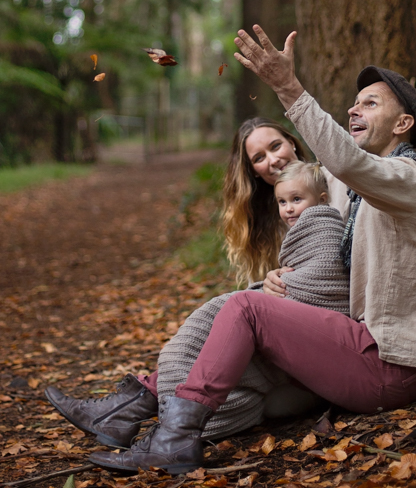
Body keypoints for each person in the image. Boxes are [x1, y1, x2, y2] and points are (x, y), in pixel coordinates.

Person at [85, 26, 416, 475]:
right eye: (354, 103)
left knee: (247, 308)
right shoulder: (360, 189)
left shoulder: (407, 178)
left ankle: (175, 440)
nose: (354, 109)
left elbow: (342, 160)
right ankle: (139, 411)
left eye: (370, 103)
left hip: (388, 366)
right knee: (248, 316)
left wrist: (286, 86)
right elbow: (324, 171)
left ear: (403, 124)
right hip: (359, 351)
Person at [45, 116, 343, 446]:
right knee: (226, 332)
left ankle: (130, 410)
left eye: (275, 146)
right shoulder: (271, 216)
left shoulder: (332, 183)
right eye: (259, 158)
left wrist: (272, 291)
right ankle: (128, 414)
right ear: (253, 171)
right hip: (283, 341)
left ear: (293, 142)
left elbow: (326, 278)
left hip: (320, 343)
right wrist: (268, 283)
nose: (272, 160)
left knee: (230, 322)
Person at [272, 161, 349, 310]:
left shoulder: (328, 230)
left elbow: (324, 272)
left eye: (296, 199)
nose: (288, 208)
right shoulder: (298, 233)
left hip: (326, 309)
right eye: (282, 202)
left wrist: (284, 279)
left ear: (322, 199)